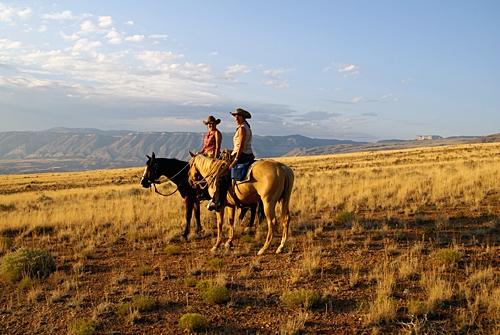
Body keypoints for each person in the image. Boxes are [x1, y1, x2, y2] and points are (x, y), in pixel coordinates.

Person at [210, 108, 255, 212]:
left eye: (238, 116)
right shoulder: (246, 127)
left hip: (242, 155)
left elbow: (241, 146)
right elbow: (239, 146)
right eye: (235, 116)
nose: (236, 118)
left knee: (220, 176)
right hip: (246, 154)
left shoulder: (242, 128)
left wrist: (235, 160)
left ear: (243, 117)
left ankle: (219, 202)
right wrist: (229, 151)